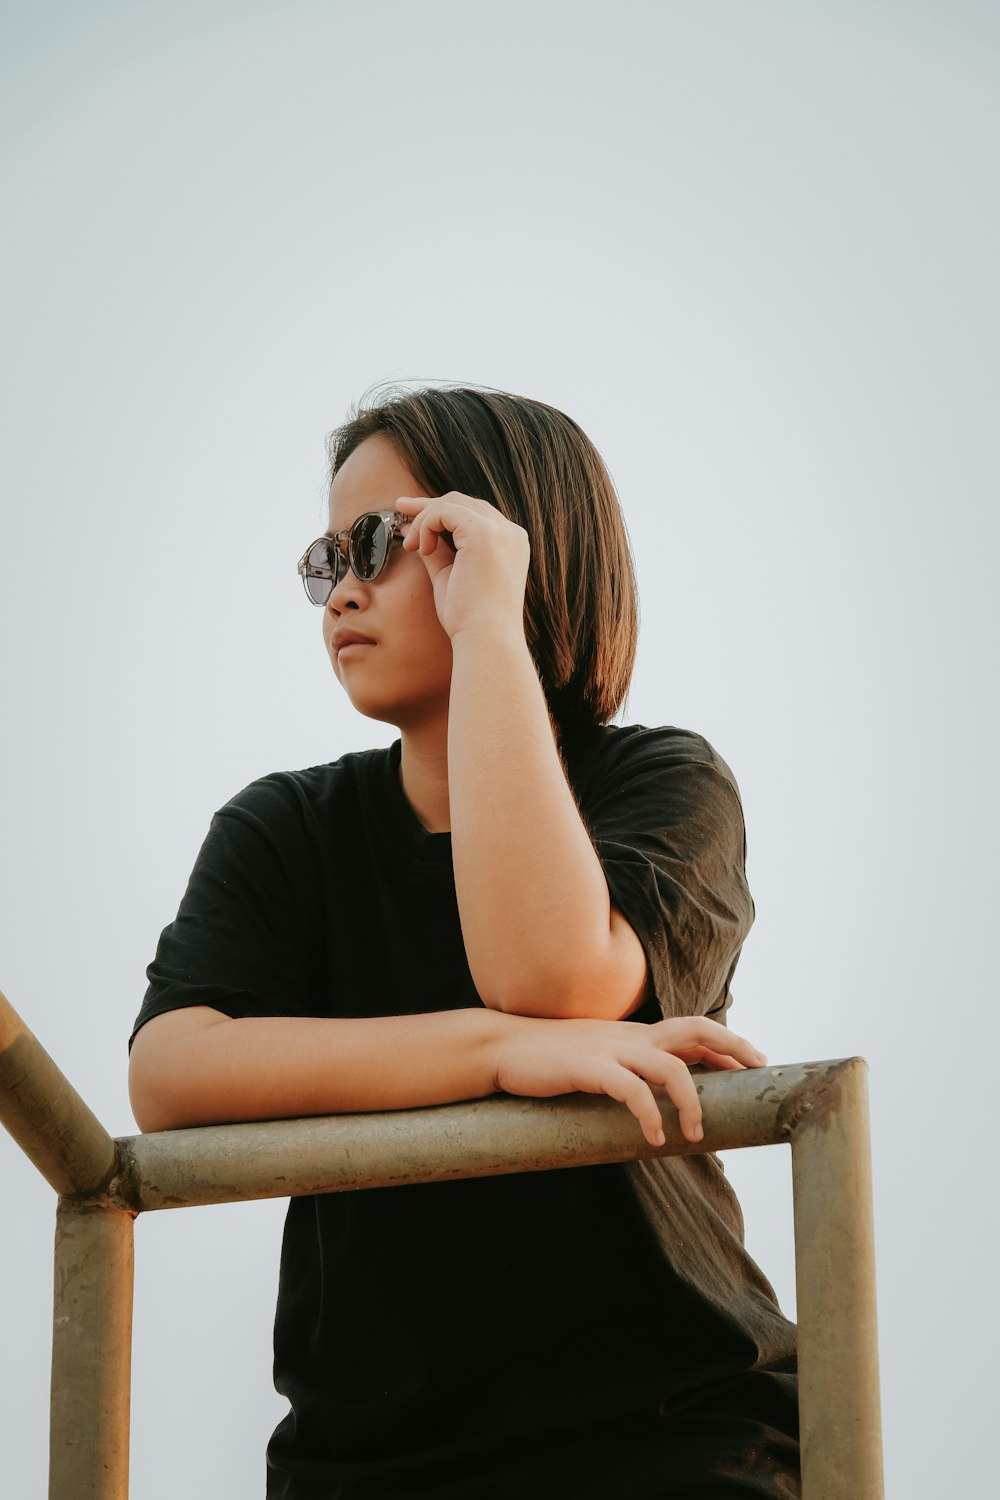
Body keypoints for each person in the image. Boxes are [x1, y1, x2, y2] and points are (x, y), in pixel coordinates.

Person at [128, 385, 799, 1498]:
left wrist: (489, 625)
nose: (340, 588)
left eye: (385, 541)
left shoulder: (663, 784)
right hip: (368, 1467)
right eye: (323, 558)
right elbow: (171, 1072)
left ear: (505, 548)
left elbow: (550, 976)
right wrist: (489, 1052)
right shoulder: (285, 830)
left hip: (670, 1438)